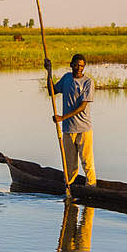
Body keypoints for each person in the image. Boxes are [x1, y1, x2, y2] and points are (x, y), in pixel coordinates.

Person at [45, 53, 96, 185]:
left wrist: (62, 117)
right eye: (77, 65)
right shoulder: (67, 78)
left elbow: (82, 106)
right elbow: (52, 91)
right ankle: (69, 187)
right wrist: (49, 72)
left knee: (87, 162)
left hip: (84, 129)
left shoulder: (88, 82)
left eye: (82, 66)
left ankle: (91, 188)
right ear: (71, 65)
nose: (79, 68)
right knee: (69, 165)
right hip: (68, 129)